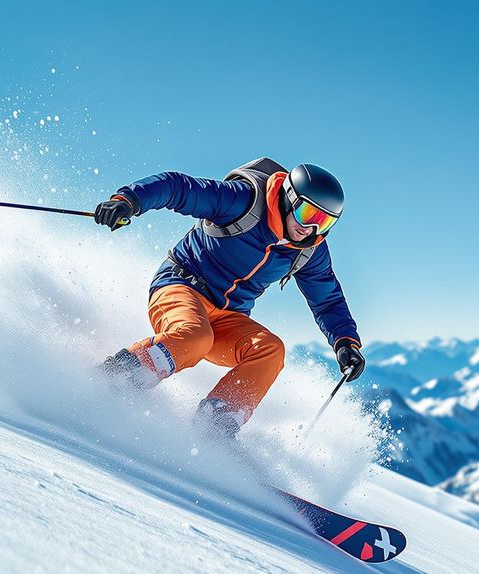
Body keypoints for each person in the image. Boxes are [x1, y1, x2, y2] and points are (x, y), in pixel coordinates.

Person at [94, 158, 365, 437]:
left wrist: (345, 342)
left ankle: (216, 423)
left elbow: (327, 299)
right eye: (307, 214)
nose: (310, 229)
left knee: (270, 350)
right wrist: (129, 201)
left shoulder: (309, 250)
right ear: (289, 199)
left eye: (323, 221)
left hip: (228, 317)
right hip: (182, 285)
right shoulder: (243, 202)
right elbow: (178, 187)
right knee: (195, 337)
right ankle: (121, 375)